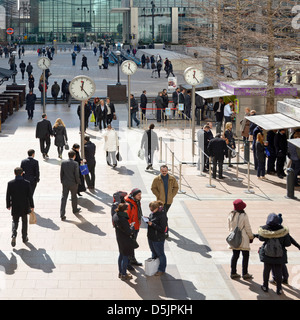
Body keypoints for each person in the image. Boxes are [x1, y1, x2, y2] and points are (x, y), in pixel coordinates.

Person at [256, 213, 291, 295]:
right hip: (279, 254)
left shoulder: (264, 229)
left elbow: (261, 238)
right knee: (278, 270)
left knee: (266, 270)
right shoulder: (283, 230)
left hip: (267, 254)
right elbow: (288, 243)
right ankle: (279, 289)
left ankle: (265, 286)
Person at [6, 167, 34, 247]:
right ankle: (24, 237)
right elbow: (30, 196)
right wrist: (32, 205)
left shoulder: (10, 183)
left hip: (15, 205)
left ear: (14, 173)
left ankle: (14, 234)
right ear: (22, 173)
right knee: (24, 222)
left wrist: (8, 205)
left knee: (15, 221)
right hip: (24, 206)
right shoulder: (27, 183)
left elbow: (8, 195)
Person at [228, 199, 254, 280]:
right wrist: (251, 237)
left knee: (235, 256)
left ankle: (233, 272)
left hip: (234, 238)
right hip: (243, 238)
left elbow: (229, 227)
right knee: (245, 256)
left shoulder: (230, 215)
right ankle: (245, 273)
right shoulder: (244, 216)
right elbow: (248, 228)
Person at [151, 165, 179, 237]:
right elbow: (153, 188)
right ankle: (165, 231)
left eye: (165, 171)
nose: (164, 172)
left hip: (169, 201)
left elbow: (176, 187)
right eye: (163, 171)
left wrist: (172, 195)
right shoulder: (156, 179)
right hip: (160, 202)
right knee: (164, 216)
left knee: (164, 215)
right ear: (160, 171)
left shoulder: (172, 178)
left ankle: (163, 229)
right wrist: (158, 195)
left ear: (167, 171)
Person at [112, 203, 135, 281]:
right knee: (125, 256)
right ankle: (124, 274)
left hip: (119, 238)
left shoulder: (115, 215)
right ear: (125, 210)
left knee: (121, 255)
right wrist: (131, 227)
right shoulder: (123, 219)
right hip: (125, 239)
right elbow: (128, 232)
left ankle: (120, 272)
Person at [146, 201, 168, 276]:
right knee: (153, 252)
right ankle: (154, 267)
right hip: (151, 237)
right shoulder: (152, 214)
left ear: (157, 208)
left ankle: (161, 269)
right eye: (150, 210)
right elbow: (152, 219)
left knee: (160, 254)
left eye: (152, 210)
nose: (151, 211)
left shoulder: (162, 216)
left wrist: (152, 224)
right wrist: (148, 219)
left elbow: (162, 229)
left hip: (158, 239)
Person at [60, 150, 81, 221]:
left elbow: (61, 173)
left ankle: (62, 214)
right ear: (74, 156)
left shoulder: (63, 163)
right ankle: (74, 209)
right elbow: (76, 174)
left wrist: (62, 181)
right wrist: (78, 182)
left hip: (65, 183)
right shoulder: (75, 163)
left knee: (64, 198)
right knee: (74, 196)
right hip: (73, 183)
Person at [125, 189, 143, 268]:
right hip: (132, 228)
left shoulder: (137, 202)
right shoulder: (129, 205)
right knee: (129, 245)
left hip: (136, 226)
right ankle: (128, 263)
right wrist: (129, 228)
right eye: (138, 195)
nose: (140, 196)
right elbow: (127, 218)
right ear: (133, 195)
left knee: (132, 244)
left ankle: (132, 260)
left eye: (140, 194)